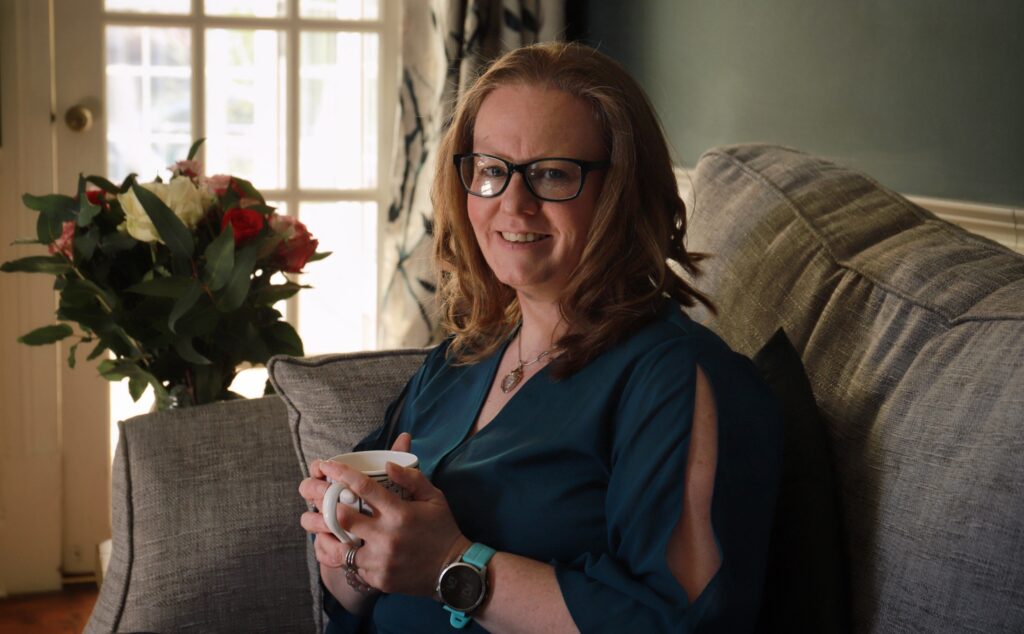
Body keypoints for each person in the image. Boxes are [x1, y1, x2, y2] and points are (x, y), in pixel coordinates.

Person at [299, 41, 782, 633]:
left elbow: (673, 623)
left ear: (621, 193)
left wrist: (450, 564)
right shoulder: (457, 362)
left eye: (552, 174)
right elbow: (350, 589)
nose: (512, 203)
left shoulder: (678, 380)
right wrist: (355, 554)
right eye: (491, 171)